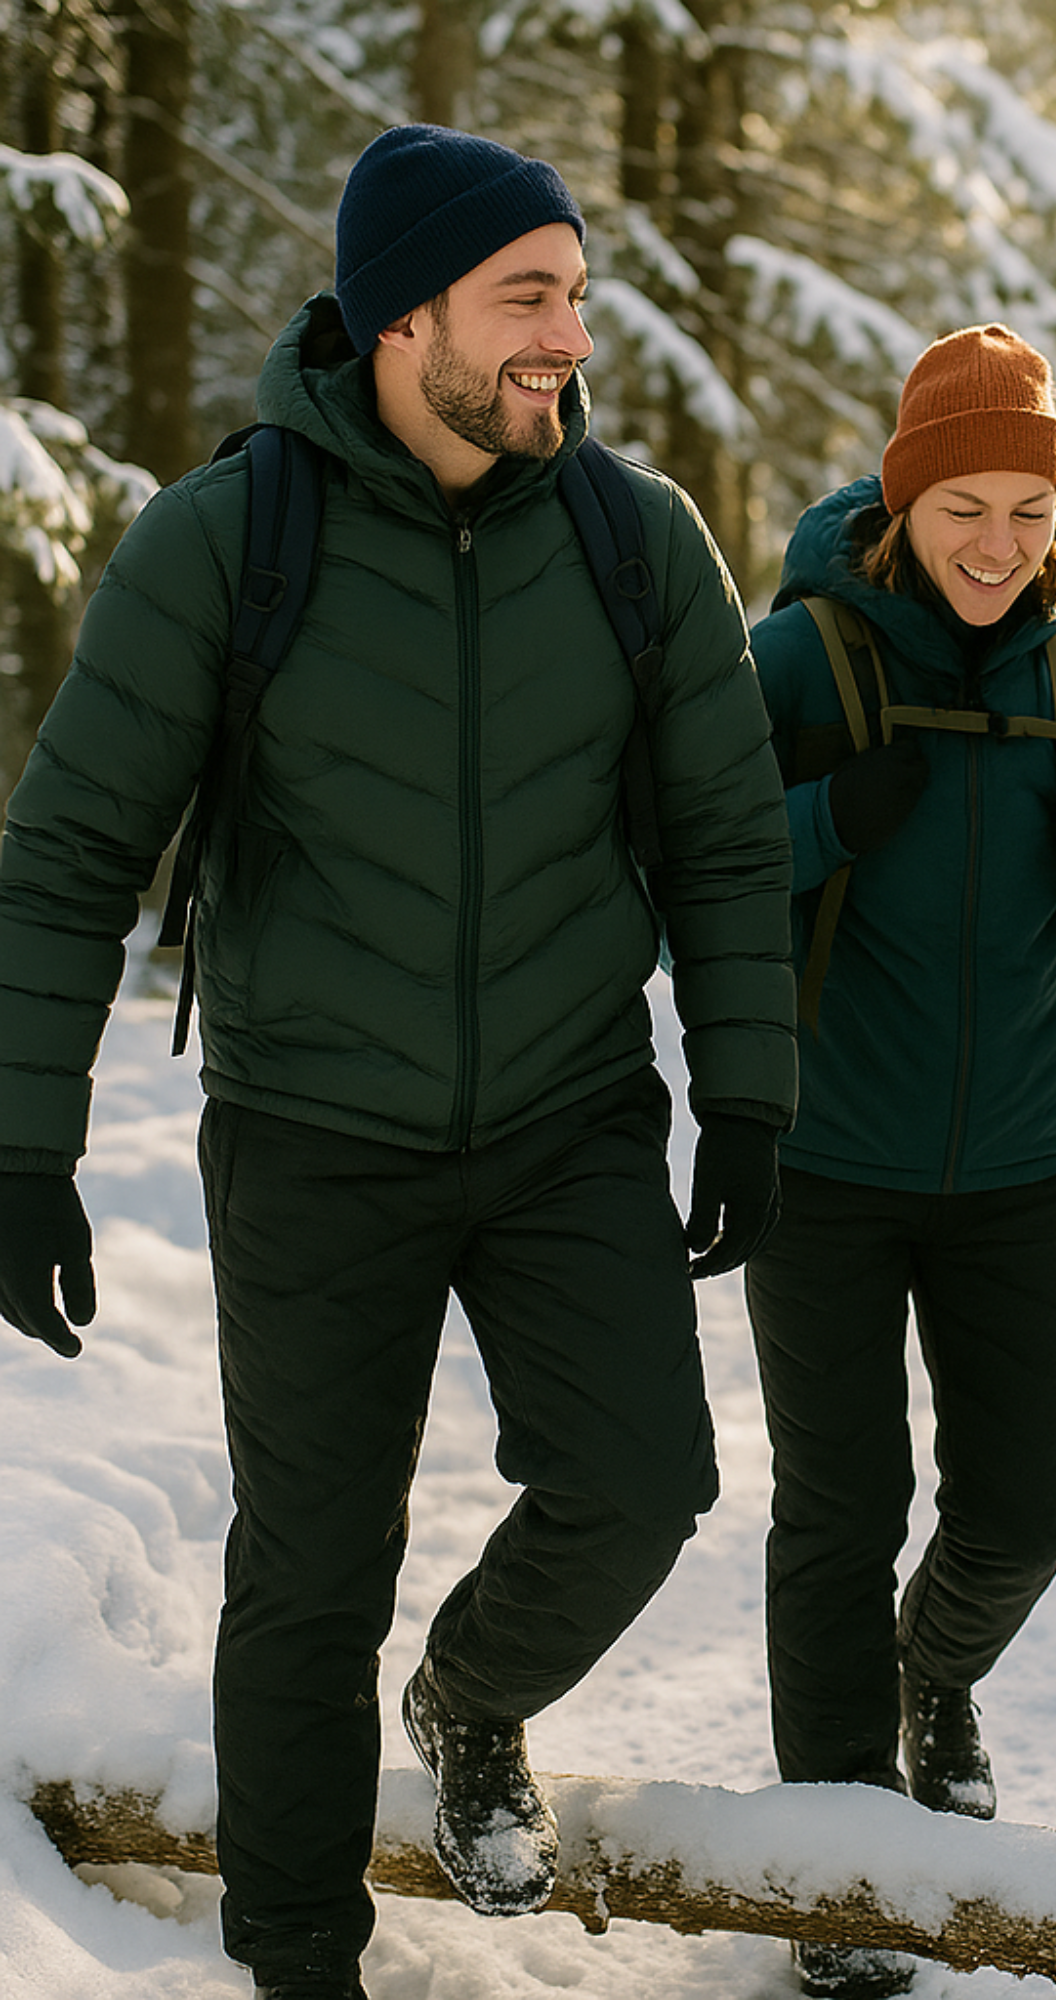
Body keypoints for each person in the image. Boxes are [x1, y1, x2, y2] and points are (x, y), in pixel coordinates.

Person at [0, 125, 796, 2000]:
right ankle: (297, 1959)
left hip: (566, 1109)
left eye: (577, 297)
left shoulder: (635, 540)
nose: (568, 337)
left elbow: (727, 836)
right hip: (310, 1126)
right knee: (309, 1569)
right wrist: (24, 1148)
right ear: (401, 317)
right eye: (526, 297)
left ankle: (470, 1698)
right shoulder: (228, 538)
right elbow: (71, 852)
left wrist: (749, 1090)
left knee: (643, 1481)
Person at [746, 324, 1056, 1999]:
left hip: (1023, 1161)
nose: (999, 543)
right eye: (964, 509)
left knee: (1027, 1511)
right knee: (838, 1512)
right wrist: (820, 824)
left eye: (1029, 510)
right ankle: (840, 1872)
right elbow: (679, 868)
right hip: (828, 1162)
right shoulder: (795, 662)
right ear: (902, 504)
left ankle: (932, 1680)